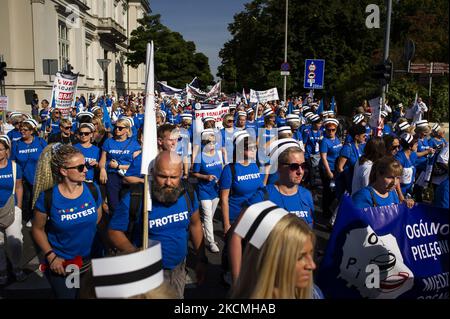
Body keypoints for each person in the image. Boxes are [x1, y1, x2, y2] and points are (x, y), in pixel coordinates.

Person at [108, 151, 207, 299]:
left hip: (178, 269)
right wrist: (134, 253)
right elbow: (114, 231)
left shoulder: (188, 194)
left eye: (173, 177)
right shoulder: (137, 197)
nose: (168, 182)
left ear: (181, 174)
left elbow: (195, 225)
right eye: (162, 176)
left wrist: (201, 259)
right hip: (147, 272)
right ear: (153, 173)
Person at [31, 144, 102, 298]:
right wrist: (51, 256)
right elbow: (37, 229)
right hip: (65, 265)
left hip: (92, 262)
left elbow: (97, 218)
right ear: (64, 171)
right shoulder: (48, 197)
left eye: (86, 165)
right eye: (80, 167)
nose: (86, 170)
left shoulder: (93, 189)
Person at [230, 202, 322, 299]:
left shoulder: (314, 294)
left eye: (311, 254)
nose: (312, 265)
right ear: (269, 258)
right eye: (300, 257)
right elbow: (237, 234)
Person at [99, 118, 141, 214]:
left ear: (127, 129)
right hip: (112, 176)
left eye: (120, 128)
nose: (117, 129)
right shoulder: (108, 142)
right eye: (116, 127)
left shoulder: (134, 144)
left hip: (128, 176)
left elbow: (136, 165)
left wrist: (119, 166)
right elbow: (102, 159)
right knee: (113, 205)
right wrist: (102, 169)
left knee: (126, 205)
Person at [192, 129, 223, 253]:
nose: (212, 144)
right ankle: (211, 242)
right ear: (204, 143)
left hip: (216, 190)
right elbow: (194, 173)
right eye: (209, 142)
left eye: (214, 142)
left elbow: (222, 169)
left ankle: (205, 226)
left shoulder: (218, 154)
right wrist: (205, 177)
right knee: (208, 216)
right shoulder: (200, 157)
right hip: (204, 190)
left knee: (209, 215)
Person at [0, 135, 26, 285]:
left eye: (0, 149)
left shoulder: (15, 166)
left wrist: (19, 207)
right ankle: (2, 270)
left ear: (6, 150)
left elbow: (19, 187)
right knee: (0, 243)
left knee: (15, 242)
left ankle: (16, 267)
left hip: (12, 208)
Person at [11, 119, 47, 226]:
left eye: (25, 130)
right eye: (21, 130)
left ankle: (38, 217)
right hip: (23, 178)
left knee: (38, 198)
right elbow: (13, 161)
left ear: (32, 131)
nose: (23, 132)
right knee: (27, 199)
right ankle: (28, 217)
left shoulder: (40, 142)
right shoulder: (17, 144)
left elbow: (48, 156)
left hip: (40, 177)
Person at [319, 118, 342, 220]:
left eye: (333, 129)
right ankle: (325, 212)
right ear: (325, 130)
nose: (331, 132)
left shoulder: (337, 139)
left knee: (334, 191)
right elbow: (323, 157)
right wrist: (328, 171)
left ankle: (330, 210)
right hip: (328, 168)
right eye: (329, 130)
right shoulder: (324, 141)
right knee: (328, 191)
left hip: (336, 168)